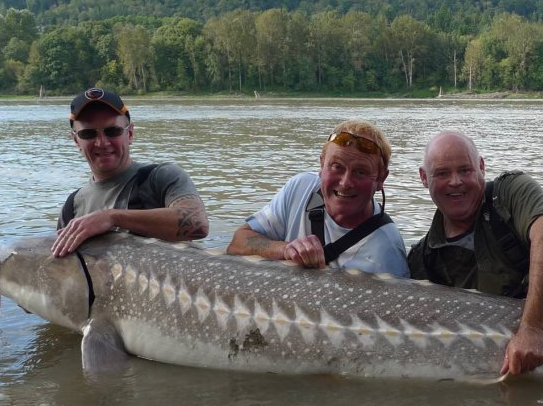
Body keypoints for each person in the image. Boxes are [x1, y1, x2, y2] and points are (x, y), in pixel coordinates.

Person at [409, 131, 543, 377]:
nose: (455, 181)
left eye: (465, 170)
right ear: (424, 177)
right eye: (442, 173)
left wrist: (533, 330)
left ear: (482, 167)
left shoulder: (509, 193)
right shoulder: (422, 259)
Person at [226, 119, 408, 277]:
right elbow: (238, 243)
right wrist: (286, 249)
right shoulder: (301, 188)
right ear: (322, 165)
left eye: (360, 172)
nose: (345, 183)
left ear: (380, 180)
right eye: (337, 167)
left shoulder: (386, 251)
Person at [53, 88, 209, 258]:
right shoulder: (71, 208)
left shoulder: (161, 177)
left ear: (130, 133)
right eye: (88, 134)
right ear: (76, 140)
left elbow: (197, 224)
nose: (102, 142)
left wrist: (111, 217)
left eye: (112, 131)